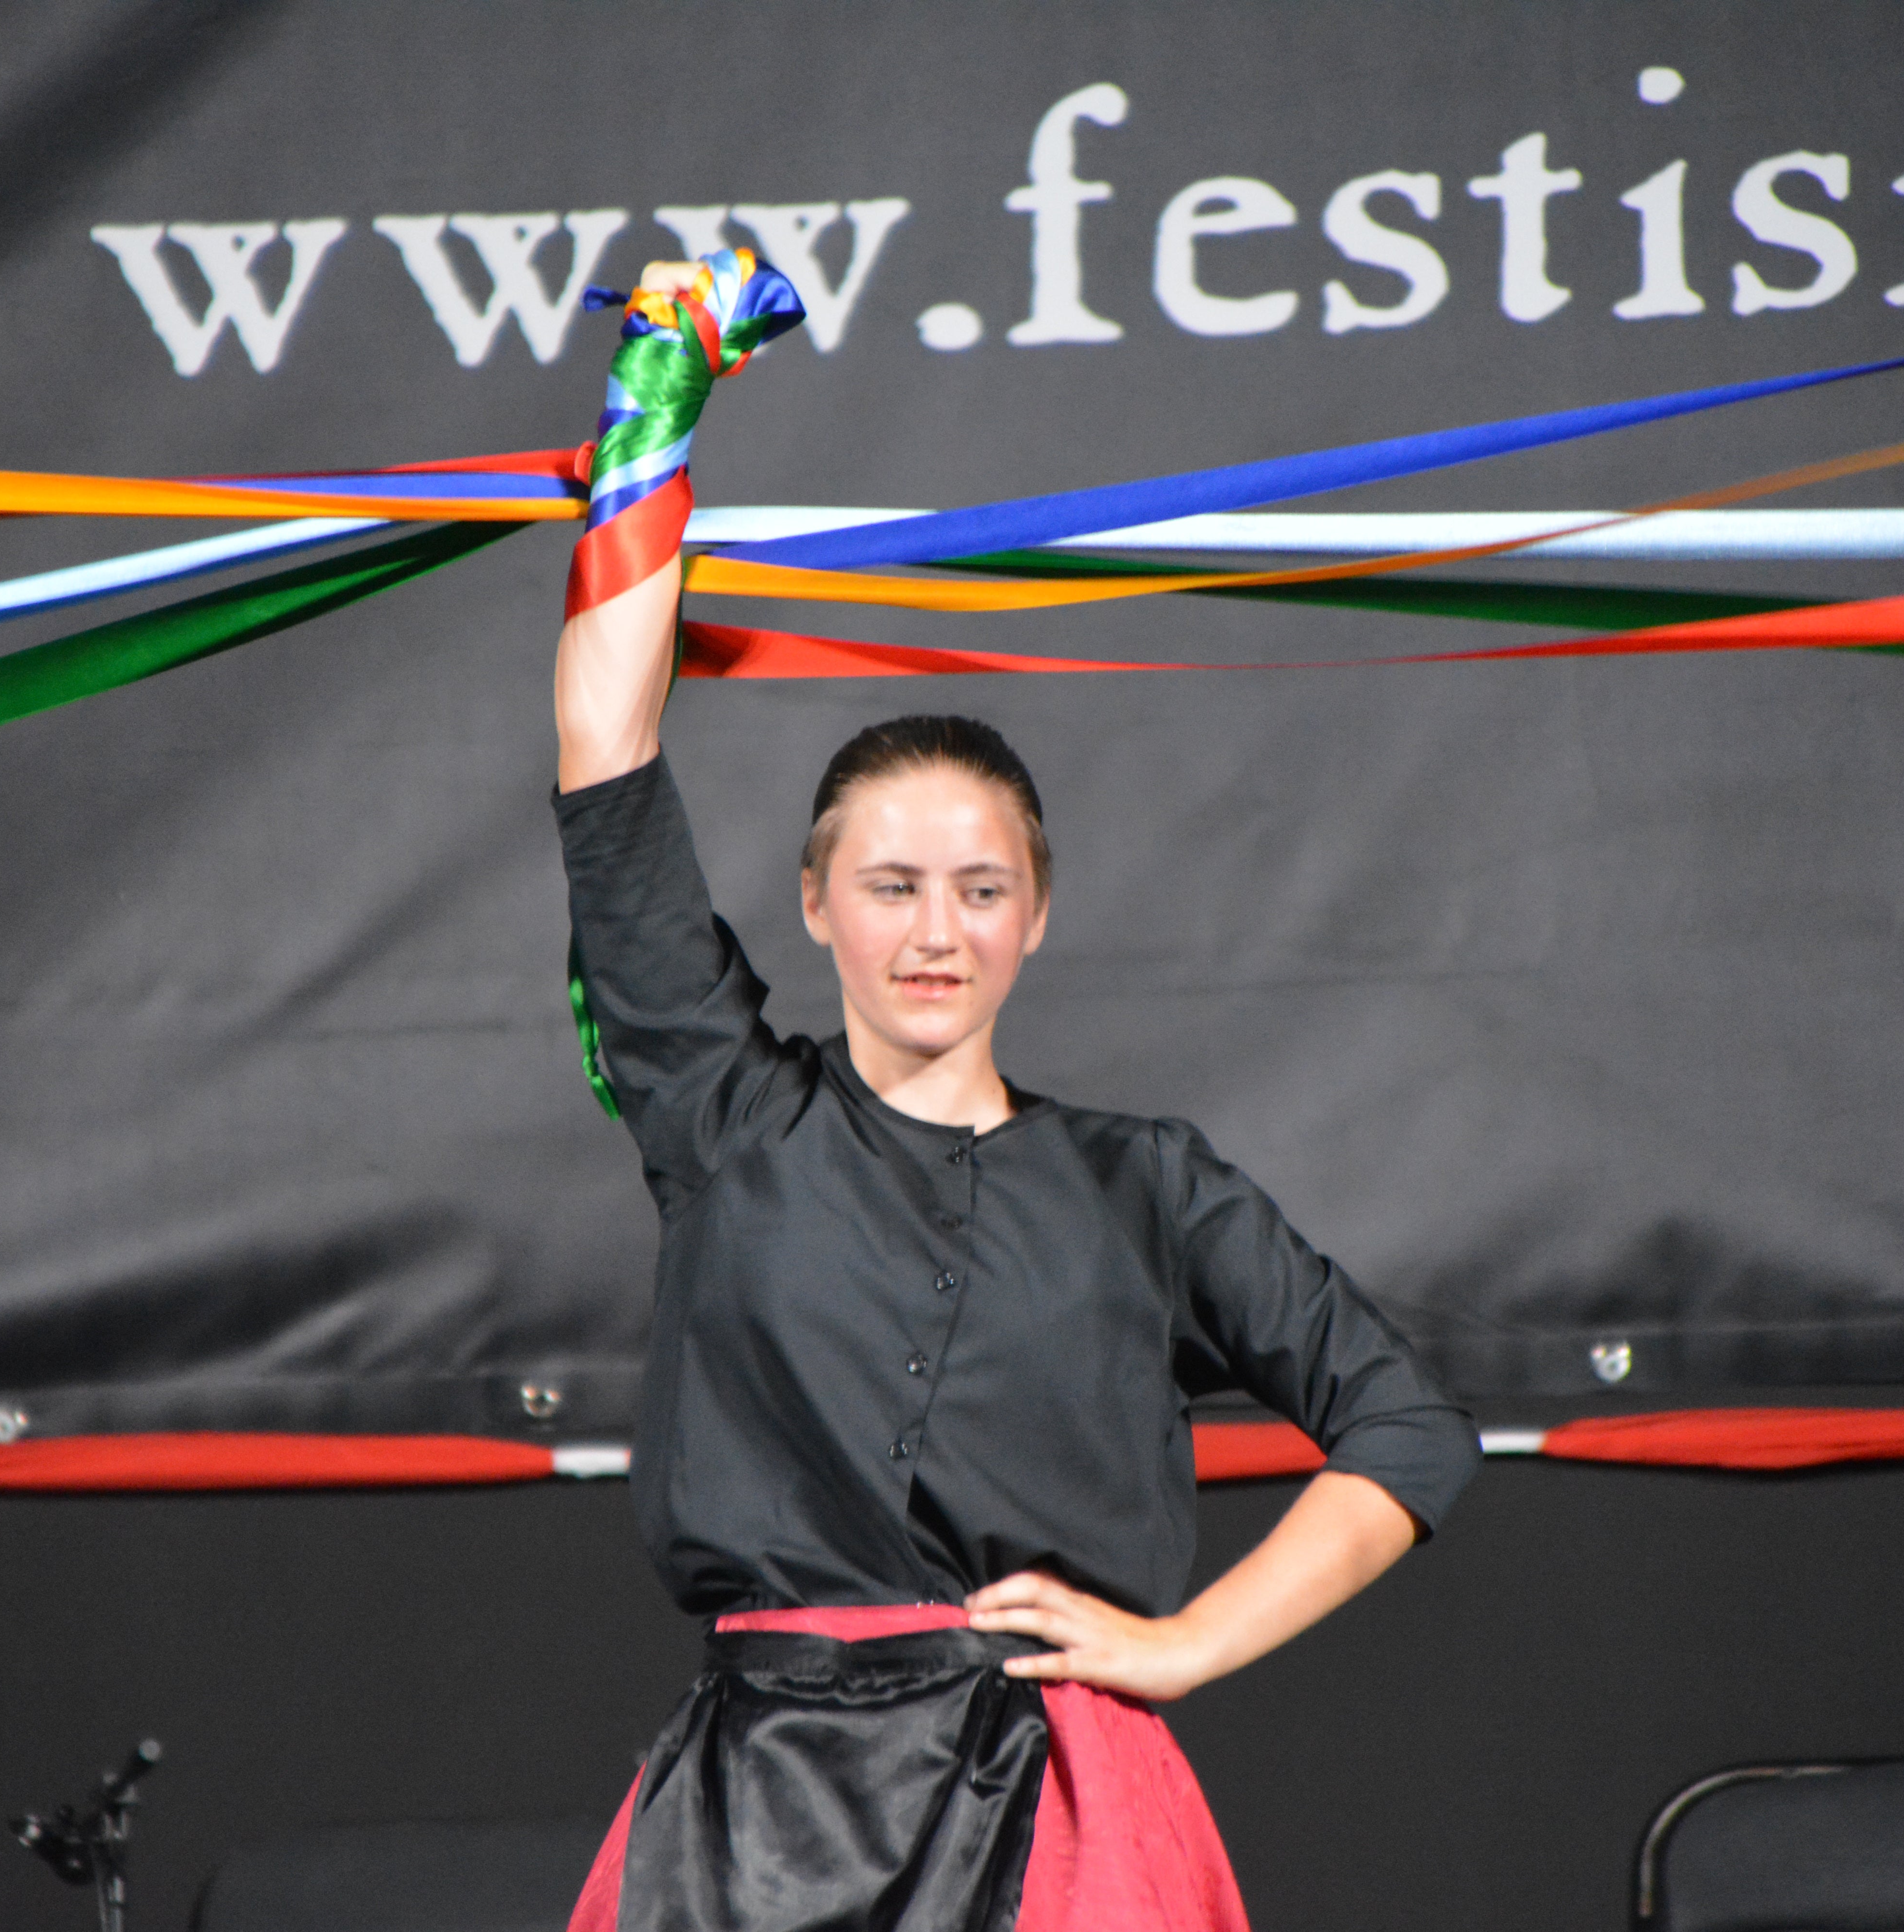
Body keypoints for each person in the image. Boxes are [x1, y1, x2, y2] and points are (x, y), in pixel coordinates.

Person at [551, 256, 1480, 1932]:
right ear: (818, 904)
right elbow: (608, 760)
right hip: (756, 1821)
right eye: (892, 884)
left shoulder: (1147, 1188)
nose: (936, 928)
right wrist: (656, 417)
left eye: (981, 888)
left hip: (1059, 1815)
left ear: (1037, 917)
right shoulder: (727, 1117)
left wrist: (1183, 1646)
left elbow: (1406, 1430)